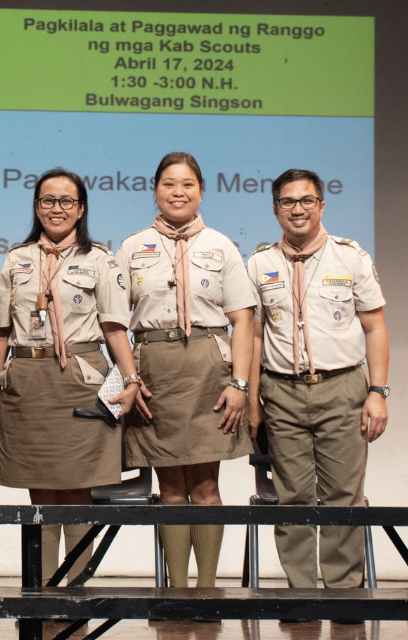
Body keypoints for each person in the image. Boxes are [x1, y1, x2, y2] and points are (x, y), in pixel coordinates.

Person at [0, 168, 148, 585]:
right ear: (36, 207)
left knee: (77, 491)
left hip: (79, 380)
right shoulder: (17, 259)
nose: (56, 209)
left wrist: (131, 380)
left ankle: (73, 592)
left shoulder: (101, 260)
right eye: (47, 200)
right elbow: (1, 330)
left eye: (66, 201)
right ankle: (40, 593)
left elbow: (114, 328)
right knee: (38, 492)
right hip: (27, 381)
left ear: (81, 209)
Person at [116, 152, 255, 588]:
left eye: (188, 185)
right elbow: (115, 321)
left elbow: (244, 321)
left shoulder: (220, 245)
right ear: (154, 189)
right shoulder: (132, 246)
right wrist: (130, 378)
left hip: (208, 369)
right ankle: (177, 590)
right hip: (155, 371)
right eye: (169, 184)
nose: (178, 193)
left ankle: (208, 590)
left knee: (206, 485)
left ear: (201, 191)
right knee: (171, 486)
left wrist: (240, 384)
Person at [247, 169, 388, 591]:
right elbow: (253, 336)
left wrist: (378, 392)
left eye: (306, 200)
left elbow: (376, 328)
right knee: (293, 499)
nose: (298, 209)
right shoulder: (260, 262)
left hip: (343, 387)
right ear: (275, 210)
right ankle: (301, 594)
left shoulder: (352, 257)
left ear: (322, 206)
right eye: (288, 202)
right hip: (282, 392)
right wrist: (253, 397)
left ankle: (345, 593)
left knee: (344, 497)